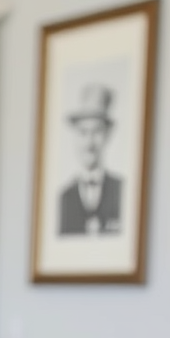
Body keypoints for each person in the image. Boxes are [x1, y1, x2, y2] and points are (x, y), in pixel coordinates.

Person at [57, 83, 123, 235]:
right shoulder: (63, 197)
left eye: (96, 132)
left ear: (107, 135)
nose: (89, 142)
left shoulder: (121, 190)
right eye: (83, 132)